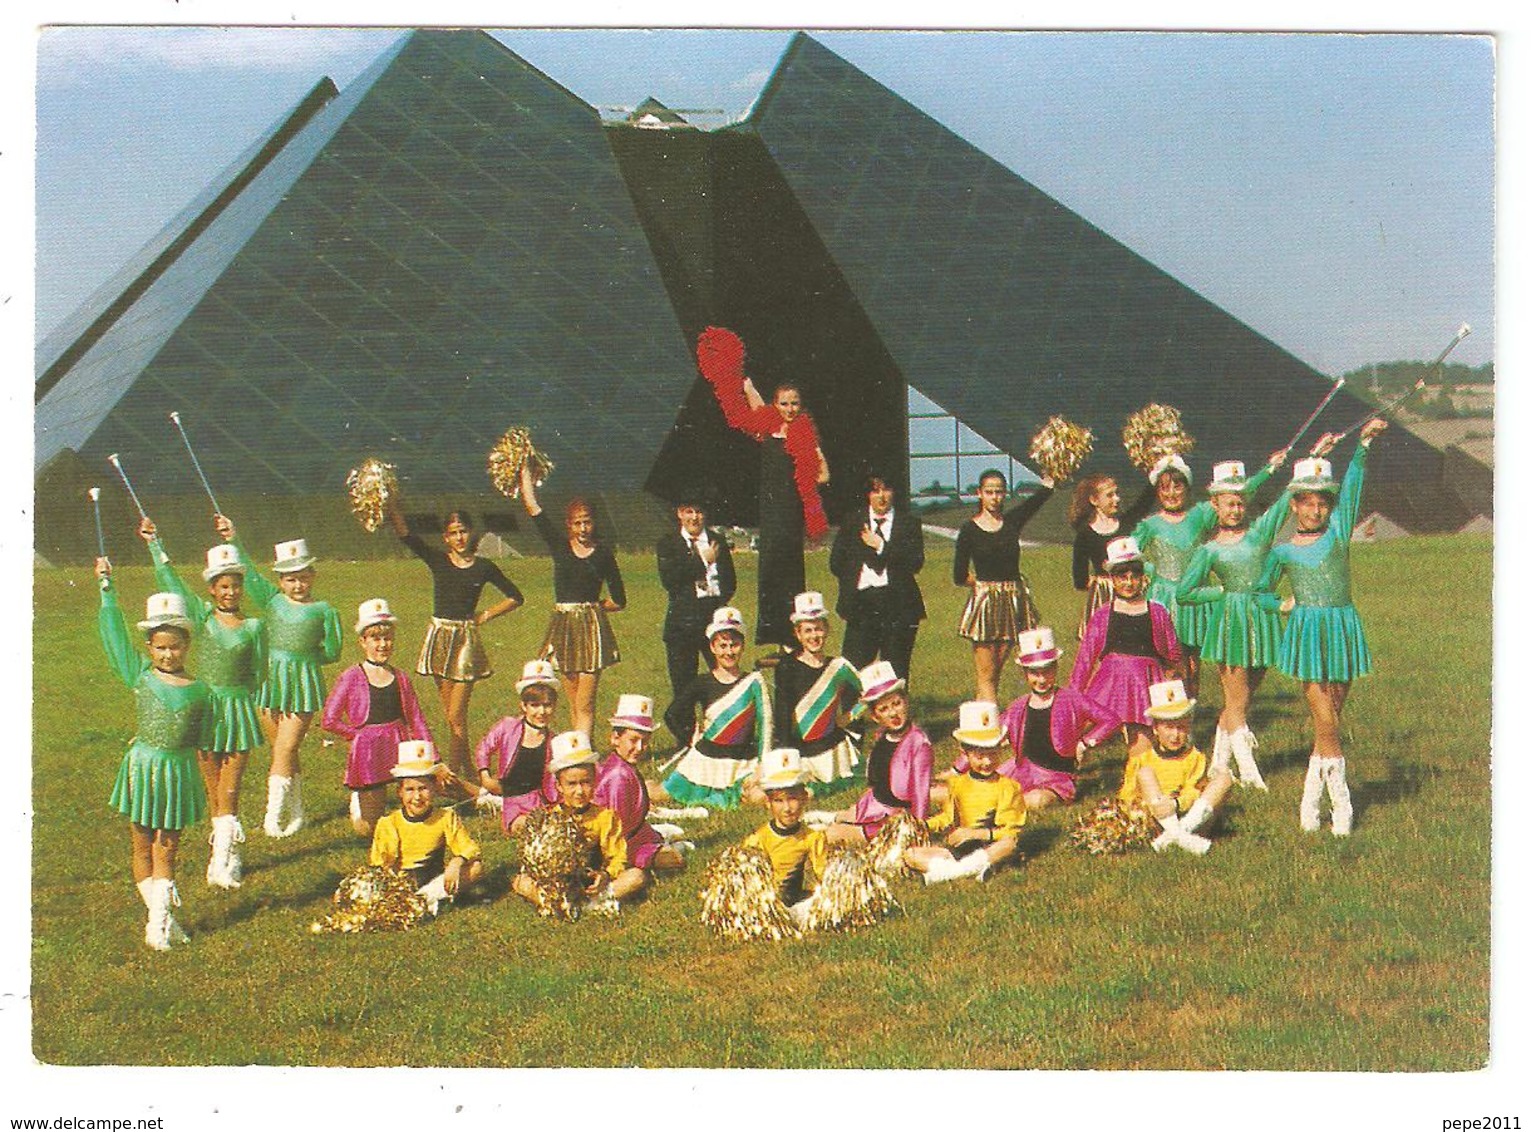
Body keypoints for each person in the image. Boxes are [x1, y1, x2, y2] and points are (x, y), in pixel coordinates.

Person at [1255, 421, 1387, 836]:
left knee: (1328, 722)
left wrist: (1363, 446)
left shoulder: (1337, 536)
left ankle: (1309, 799)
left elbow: (1352, 489)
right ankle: (1342, 804)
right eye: (1307, 504)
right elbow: (1260, 593)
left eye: (1322, 504)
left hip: (1342, 628)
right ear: (1294, 505)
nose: (1316, 511)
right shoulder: (1282, 550)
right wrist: (1283, 603)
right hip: (1307, 635)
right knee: (1327, 722)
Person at [138, 517, 263, 889]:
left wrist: (234, 537)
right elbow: (170, 582)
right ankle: (219, 857)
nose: (230, 593)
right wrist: (154, 544)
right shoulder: (201, 617)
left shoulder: (254, 627)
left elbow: (259, 672)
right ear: (211, 589)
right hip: (206, 710)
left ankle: (229, 856)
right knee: (212, 789)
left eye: (235, 586)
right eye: (223, 586)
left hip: (238, 710)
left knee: (231, 788)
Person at [96, 563, 211, 950]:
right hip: (143, 766)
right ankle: (160, 919)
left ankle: (159, 921)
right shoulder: (140, 677)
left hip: (177, 771)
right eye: (159, 647)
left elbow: (204, 737)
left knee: (168, 847)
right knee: (141, 843)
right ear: (149, 647)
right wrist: (107, 590)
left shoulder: (200, 691)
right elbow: (114, 641)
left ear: (187, 645)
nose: (167, 654)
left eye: (174, 646)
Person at [694, 327, 830, 649]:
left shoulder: (806, 436)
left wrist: (806, 474)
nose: (790, 408)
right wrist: (742, 381)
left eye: (795, 403)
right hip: (770, 511)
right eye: (784, 403)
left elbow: (824, 474)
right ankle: (774, 633)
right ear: (777, 404)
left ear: (801, 405)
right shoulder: (766, 428)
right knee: (769, 569)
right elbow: (750, 403)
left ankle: (793, 634)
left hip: (790, 511)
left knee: (789, 569)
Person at [385, 499, 523, 788]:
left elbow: (515, 596)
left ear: (470, 533)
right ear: (446, 537)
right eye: (453, 532)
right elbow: (406, 536)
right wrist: (392, 507)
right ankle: (469, 774)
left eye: (463, 531)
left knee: (456, 714)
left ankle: (453, 780)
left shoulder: (484, 567)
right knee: (452, 719)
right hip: (439, 640)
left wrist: (485, 615)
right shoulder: (438, 560)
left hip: (465, 644)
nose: (459, 537)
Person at [1175, 460, 1295, 789]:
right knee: (1237, 703)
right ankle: (1250, 773)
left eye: (1241, 502)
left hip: (1262, 619)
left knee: (1238, 701)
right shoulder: (1209, 550)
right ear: (1215, 505)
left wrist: (1310, 461)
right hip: (1230, 625)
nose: (1236, 508)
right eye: (1229, 502)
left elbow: (1286, 501)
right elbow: (1185, 593)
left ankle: (1217, 764)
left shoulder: (1259, 534)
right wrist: (1221, 592)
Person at [225, 523, 342, 840]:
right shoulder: (272, 601)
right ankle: (298, 809)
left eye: (304, 577)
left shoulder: (323, 610)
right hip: (269, 680)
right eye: (291, 579)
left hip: (302, 683)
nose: (298, 584)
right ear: (280, 581)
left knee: (286, 747)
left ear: (313, 576)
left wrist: (304, 660)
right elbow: (247, 574)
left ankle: (272, 816)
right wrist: (233, 538)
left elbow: (332, 649)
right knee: (283, 749)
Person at [1131, 452, 1282, 696]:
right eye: (1164, 488)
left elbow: (1236, 492)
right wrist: (1150, 571)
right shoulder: (1150, 524)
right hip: (1163, 599)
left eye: (1177, 487)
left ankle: (1189, 712)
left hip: (1196, 598)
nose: (1171, 494)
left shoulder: (1201, 514)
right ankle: (1169, 713)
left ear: (1187, 488)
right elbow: (1130, 554)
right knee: (1171, 661)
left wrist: (1269, 469)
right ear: (1157, 491)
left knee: (1192, 663)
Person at [518, 462, 626, 738]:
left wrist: (593, 610)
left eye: (587, 521)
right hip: (564, 628)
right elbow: (533, 507)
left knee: (585, 702)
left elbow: (619, 600)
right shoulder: (560, 547)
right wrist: (525, 474)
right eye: (577, 522)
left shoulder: (603, 554)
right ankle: (578, 754)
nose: (583, 528)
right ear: (569, 525)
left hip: (591, 630)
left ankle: (583, 752)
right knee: (572, 699)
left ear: (594, 522)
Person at [321, 599, 436, 839]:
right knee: (369, 825)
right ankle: (361, 808)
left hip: (398, 745)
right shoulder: (352, 676)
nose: (383, 645)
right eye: (375, 639)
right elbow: (329, 719)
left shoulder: (400, 677)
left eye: (387, 639)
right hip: (369, 752)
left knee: (412, 806)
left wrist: (432, 755)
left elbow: (416, 718)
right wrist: (358, 735)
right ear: (363, 641)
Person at [512, 731, 642, 915]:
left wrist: (605, 876)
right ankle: (556, 902)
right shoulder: (549, 817)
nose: (579, 791)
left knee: (636, 876)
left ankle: (589, 904)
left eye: (586, 782)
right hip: (559, 885)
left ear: (595, 781)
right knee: (520, 882)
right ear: (558, 786)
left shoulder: (605, 816)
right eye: (571, 784)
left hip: (593, 884)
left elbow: (618, 857)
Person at [953, 469, 1055, 702]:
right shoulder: (969, 530)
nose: (995, 497)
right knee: (986, 675)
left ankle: (980, 722)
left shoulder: (1012, 522)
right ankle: (989, 729)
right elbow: (959, 575)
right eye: (989, 492)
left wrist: (1049, 483)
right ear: (979, 494)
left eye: (999, 492)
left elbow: (1034, 503)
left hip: (1013, 602)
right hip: (986, 604)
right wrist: (983, 587)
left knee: (994, 672)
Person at [658, 606, 772, 809]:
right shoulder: (702, 682)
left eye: (734, 645)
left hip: (742, 762)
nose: (729, 651)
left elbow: (766, 725)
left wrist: (762, 766)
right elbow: (673, 713)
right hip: (704, 761)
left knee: (759, 797)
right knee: (661, 795)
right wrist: (690, 736)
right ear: (712, 647)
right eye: (723, 645)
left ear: (742, 646)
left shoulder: (754, 681)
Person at [997, 627, 1122, 810]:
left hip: (1056, 779)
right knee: (979, 788)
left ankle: (1001, 805)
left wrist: (1085, 743)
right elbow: (988, 735)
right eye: (1034, 673)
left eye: (1047, 671)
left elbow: (1111, 720)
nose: (1041, 679)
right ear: (1025, 673)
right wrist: (957, 769)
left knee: (1036, 800)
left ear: (1056, 667)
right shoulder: (1018, 706)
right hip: (1020, 771)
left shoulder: (1071, 699)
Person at [1070, 536, 1183, 732]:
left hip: (1145, 687)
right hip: (1110, 686)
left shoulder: (1157, 612)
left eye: (1135, 576)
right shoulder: (1103, 614)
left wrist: (1173, 683)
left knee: (1141, 749)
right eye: (1122, 576)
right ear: (1112, 579)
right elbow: (1085, 660)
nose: (1129, 583)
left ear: (1143, 578)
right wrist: (1071, 699)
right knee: (1078, 732)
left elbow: (1173, 654)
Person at [904, 702, 1025, 884]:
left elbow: (1010, 831)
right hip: (960, 847)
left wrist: (974, 834)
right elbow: (948, 818)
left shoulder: (1008, 787)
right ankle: (967, 870)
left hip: (990, 846)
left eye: (992, 754)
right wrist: (922, 825)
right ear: (964, 753)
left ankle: (948, 873)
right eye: (979, 755)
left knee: (1009, 844)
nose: (986, 762)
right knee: (910, 854)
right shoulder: (958, 783)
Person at [818, 662, 933, 845]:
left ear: (906, 702)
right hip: (874, 805)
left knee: (831, 835)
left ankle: (839, 825)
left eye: (897, 704)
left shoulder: (919, 743)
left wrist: (918, 831)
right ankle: (833, 818)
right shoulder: (882, 736)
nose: (893, 713)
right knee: (842, 818)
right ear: (875, 716)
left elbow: (921, 793)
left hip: (895, 819)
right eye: (884, 709)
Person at [656, 492, 737, 742]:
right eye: (689, 511)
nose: (694, 517)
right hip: (682, 624)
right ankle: (686, 739)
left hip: (712, 620)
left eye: (699, 512)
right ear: (680, 513)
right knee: (684, 683)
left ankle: (724, 733)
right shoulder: (668, 543)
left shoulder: (716, 540)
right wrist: (703, 560)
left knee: (722, 678)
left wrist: (717, 604)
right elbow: (671, 581)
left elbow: (730, 581)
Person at [1118, 679, 1232, 855]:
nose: (1175, 735)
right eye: (1169, 728)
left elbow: (1194, 791)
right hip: (1154, 819)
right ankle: (1178, 836)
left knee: (1224, 778)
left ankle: (1177, 834)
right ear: (1155, 728)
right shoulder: (1142, 760)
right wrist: (1149, 808)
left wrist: (1175, 804)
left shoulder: (1195, 758)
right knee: (1145, 774)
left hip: (1189, 817)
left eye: (1181, 727)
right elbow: (1126, 796)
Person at [830, 472, 925, 682]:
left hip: (898, 606)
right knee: (853, 669)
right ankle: (852, 715)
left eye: (886, 490)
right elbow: (836, 563)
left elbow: (915, 563)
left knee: (896, 670)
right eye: (875, 491)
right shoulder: (852, 522)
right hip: (862, 605)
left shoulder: (909, 523)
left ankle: (896, 714)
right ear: (867, 495)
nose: (881, 496)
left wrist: (881, 546)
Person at [369, 740, 484, 915]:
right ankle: (419, 902)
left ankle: (424, 899)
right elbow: (381, 865)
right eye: (410, 790)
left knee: (476, 868)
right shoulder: (389, 823)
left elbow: (470, 848)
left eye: (423, 788)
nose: (417, 797)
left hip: (436, 880)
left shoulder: (445, 817)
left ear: (435, 789)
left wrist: (457, 861)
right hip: (403, 882)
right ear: (399, 792)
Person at [771, 591, 862, 793]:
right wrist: (785, 749)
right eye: (808, 631)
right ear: (798, 634)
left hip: (833, 749)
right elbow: (782, 711)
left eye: (819, 629)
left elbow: (870, 692)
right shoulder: (787, 666)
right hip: (801, 749)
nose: (814, 636)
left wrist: (850, 715)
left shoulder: (838, 666)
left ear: (827, 630)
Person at [595, 694, 690, 884]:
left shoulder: (623, 766)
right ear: (615, 738)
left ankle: (659, 837)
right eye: (633, 740)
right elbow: (614, 829)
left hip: (634, 834)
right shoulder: (618, 776)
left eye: (645, 742)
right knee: (675, 859)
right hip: (622, 845)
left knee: (675, 848)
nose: (640, 748)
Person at [742, 748, 829, 926]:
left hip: (796, 900)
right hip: (767, 904)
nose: (787, 808)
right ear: (768, 803)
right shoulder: (758, 840)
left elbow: (823, 874)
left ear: (804, 798)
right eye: (779, 801)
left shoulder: (813, 837)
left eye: (793, 799)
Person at [474, 660, 560, 835]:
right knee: (526, 826)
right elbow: (484, 748)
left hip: (540, 800)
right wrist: (485, 776)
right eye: (535, 705)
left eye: (547, 705)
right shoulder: (508, 727)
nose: (541, 712)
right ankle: (491, 799)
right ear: (523, 705)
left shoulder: (554, 741)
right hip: (512, 798)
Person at [1069, 472, 1156, 640]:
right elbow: (1079, 578)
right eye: (1110, 495)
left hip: (1131, 587)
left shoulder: (1126, 524)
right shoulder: (1085, 534)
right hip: (1104, 595)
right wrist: (1101, 586)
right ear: (1094, 500)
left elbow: (1143, 504)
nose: (1116, 499)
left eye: (1117, 494)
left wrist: (1155, 475)